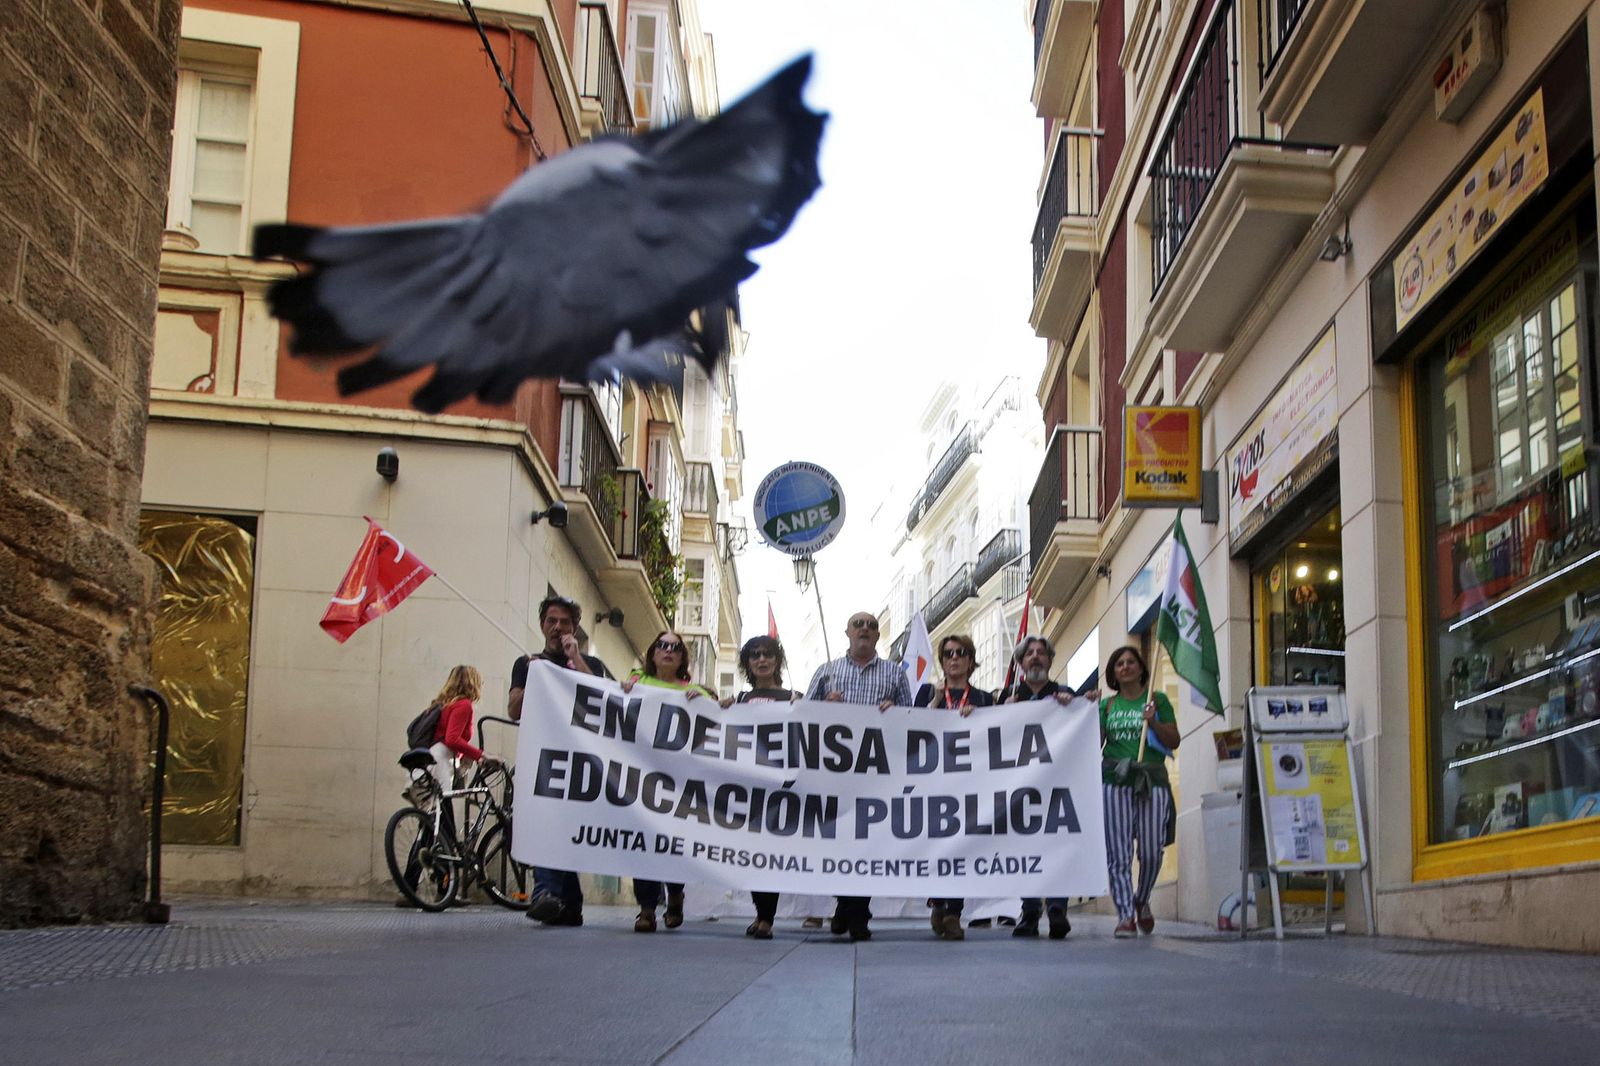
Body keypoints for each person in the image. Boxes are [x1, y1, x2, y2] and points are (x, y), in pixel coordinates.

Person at [806, 611, 912, 942]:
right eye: (859, 624)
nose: (865, 629)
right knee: (840, 842)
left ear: (878, 636)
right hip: (835, 773)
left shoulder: (895, 673)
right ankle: (847, 907)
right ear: (847, 632)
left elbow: (911, 719)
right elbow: (803, 716)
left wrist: (895, 713)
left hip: (876, 773)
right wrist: (824, 704)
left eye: (872, 626)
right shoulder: (827, 671)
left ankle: (856, 913)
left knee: (868, 842)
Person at [516, 595, 613, 928]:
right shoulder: (527, 663)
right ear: (542, 625)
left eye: (565, 622)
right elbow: (514, 709)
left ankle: (568, 903)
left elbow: (602, 698)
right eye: (551, 621)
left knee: (564, 826)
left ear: (575, 627)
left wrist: (575, 659)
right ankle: (546, 894)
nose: (558, 627)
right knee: (550, 821)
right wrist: (535, 678)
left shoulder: (591, 665)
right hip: (544, 758)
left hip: (581, 760)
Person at [621, 630, 716, 932]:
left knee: (674, 844)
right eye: (662, 645)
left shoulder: (693, 690)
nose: (668, 651)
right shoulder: (637, 681)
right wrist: (622, 690)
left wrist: (704, 700)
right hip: (641, 778)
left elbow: (715, 712)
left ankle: (675, 894)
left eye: (675, 648)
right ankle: (646, 909)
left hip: (678, 783)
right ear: (652, 652)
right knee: (644, 844)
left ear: (682, 658)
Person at [914, 633, 994, 941]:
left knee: (961, 845)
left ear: (971, 660)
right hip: (933, 783)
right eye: (948, 654)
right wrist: (935, 703)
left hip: (968, 785)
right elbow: (910, 727)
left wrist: (980, 717)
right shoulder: (927, 693)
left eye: (961, 653)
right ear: (942, 661)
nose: (955, 658)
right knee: (936, 845)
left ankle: (953, 913)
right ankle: (938, 902)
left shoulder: (984, 699)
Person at [999, 636, 1078, 939]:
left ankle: (1057, 908)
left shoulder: (1064, 694)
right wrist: (1002, 711)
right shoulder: (1008, 696)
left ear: (1049, 660)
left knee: (1058, 845)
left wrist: (1075, 708)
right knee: (1025, 846)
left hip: (1056, 783)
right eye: (1029, 653)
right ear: (1020, 663)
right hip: (1020, 786)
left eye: (1041, 653)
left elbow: (1088, 734)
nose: (1035, 657)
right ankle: (1030, 911)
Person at [720, 634, 799, 940]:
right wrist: (722, 709)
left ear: (777, 660)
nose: (762, 660)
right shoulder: (739, 700)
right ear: (748, 664)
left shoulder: (795, 698)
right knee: (754, 854)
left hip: (781, 789)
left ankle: (767, 918)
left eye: (768, 654)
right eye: (755, 655)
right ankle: (761, 912)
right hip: (748, 788)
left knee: (771, 851)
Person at [1100, 644, 1179, 938]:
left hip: (1151, 781)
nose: (1125, 666)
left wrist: (1153, 721)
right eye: (1119, 663)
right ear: (1113, 673)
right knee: (1118, 854)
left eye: (1130, 661)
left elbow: (1174, 740)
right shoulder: (1107, 706)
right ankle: (1125, 915)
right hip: (1115, 781)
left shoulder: (1157, 700)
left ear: (1141, 668)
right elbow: (1093, 742)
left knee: (1151, 850)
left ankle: (1142, 898)